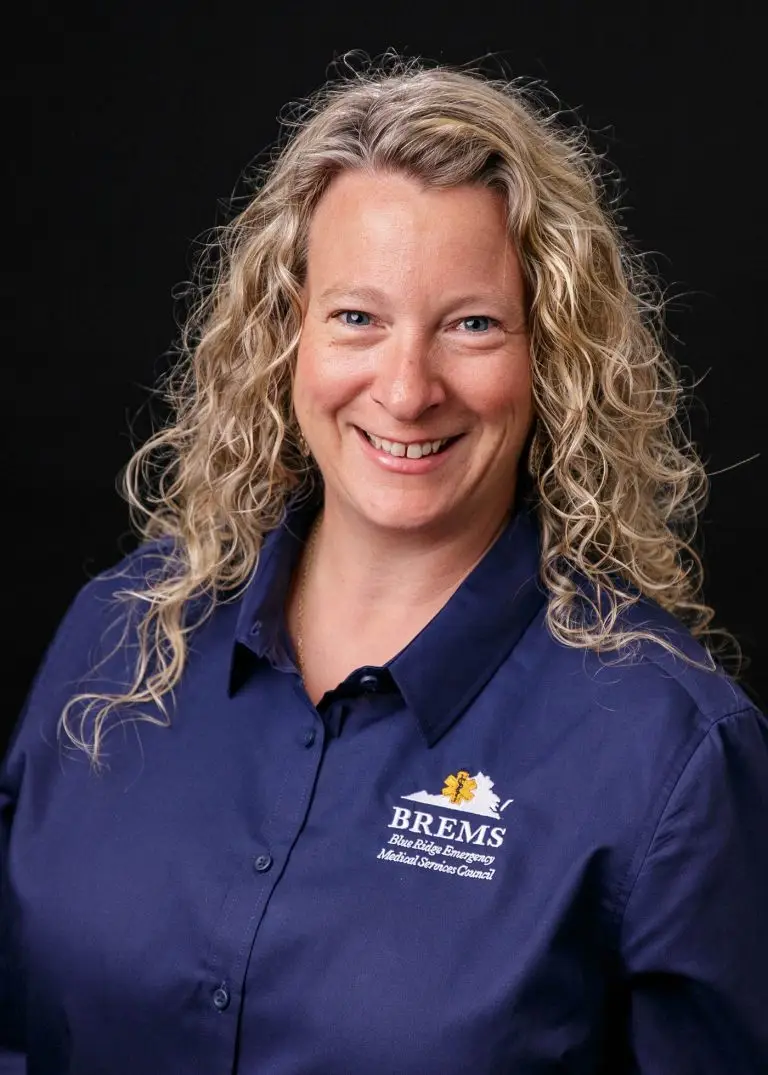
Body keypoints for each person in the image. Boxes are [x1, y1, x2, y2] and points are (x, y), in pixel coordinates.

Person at [1, 58, 767, 1074]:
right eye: (357, 316)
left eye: (473, 325)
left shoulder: (670, 752)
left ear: (556, 359)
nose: (407, 390)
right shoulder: (119, 636)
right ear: (287, 339)